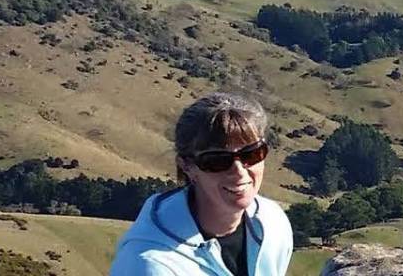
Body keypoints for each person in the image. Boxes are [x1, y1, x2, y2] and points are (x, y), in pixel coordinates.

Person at [110, 93, 293, 276]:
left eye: (251, 154)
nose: (239, 171)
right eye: (217, 160)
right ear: (187, 167)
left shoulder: (272, 223)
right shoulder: (149, 265)